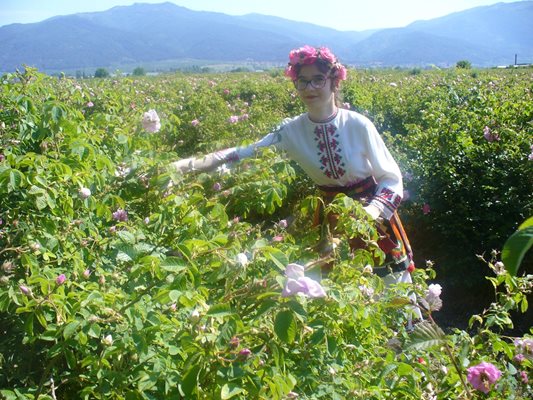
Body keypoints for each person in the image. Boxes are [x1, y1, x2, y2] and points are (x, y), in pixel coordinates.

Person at [170, 45, 421, 320]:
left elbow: (391, 178)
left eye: (318, 79)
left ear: (334, 82)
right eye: (302, 80)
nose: (309, 87)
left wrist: (367, 215)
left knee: (389, 297)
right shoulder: (291, 131)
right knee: (337, 300)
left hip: (374, 220)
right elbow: (241, 153)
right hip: (330, 218)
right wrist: (184, 166)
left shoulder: (358, 125)